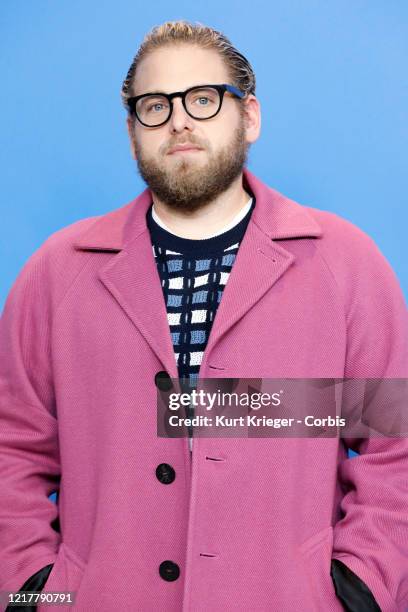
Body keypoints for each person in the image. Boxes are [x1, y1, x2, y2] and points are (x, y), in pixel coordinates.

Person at [1, 19, 407, 612]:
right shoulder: (57, 273)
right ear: (132, 130)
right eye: (155, 105)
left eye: (203, 98)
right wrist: (39, 594)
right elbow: (12, 449)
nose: (179, 120)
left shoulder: (344, 264)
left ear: (250, 117)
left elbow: (393, 448)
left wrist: (359, 590)